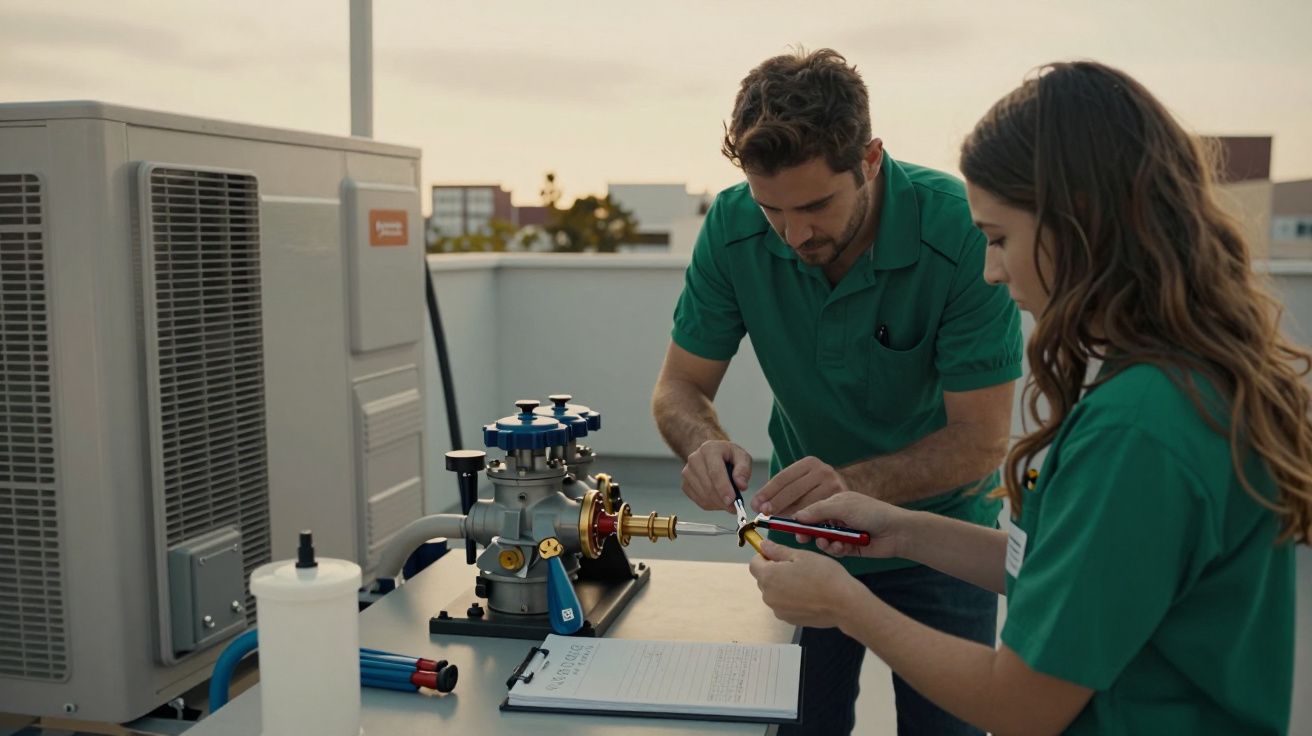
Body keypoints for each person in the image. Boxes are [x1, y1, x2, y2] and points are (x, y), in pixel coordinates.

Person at [749, 60, 1312, 735]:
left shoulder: (1137, 430)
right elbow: (1070, 570)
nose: (989, 269)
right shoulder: (1177, 385)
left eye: (998, 239)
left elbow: (1022, 706)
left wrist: (846, 604)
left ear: (1081, 223)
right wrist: (895, 527)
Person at [652, 48, 1022, 735]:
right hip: (797, 544)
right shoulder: (732, 226)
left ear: (871, 158)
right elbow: (678, 387)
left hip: (942, 542)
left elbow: (982, 439)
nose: (794, 234)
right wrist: (704, 444)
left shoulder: (963, 233)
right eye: (773, 210)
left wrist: (847, 485)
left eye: (817, 204)